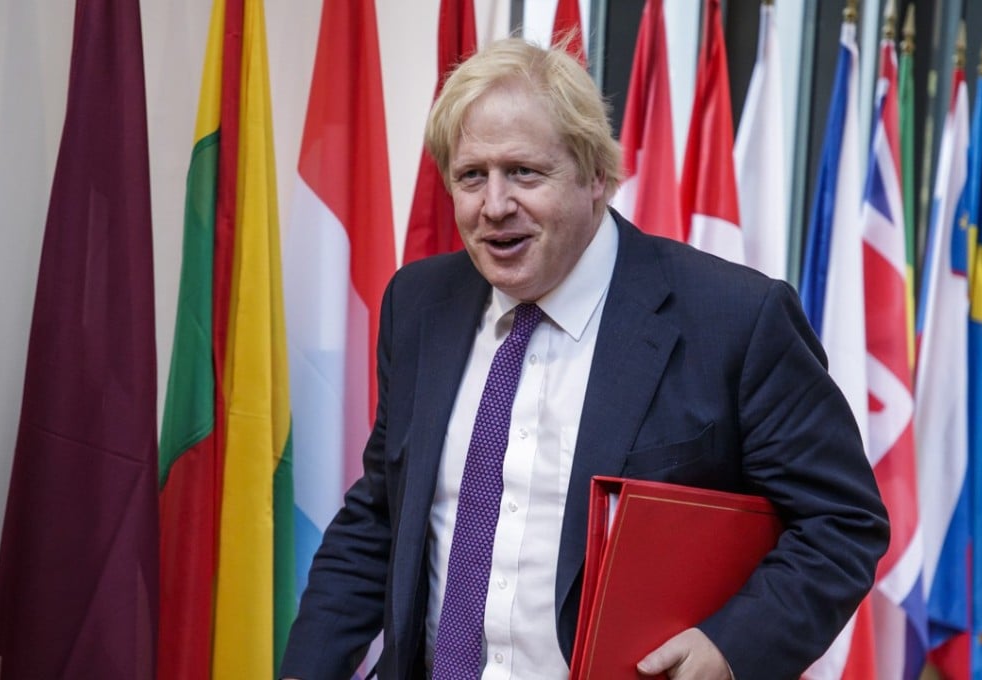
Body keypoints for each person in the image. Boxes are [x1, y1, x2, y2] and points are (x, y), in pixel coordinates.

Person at [280, 37, 888, 680]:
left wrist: (730, 649)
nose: (494, 206)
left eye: (524, 172)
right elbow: (381, 515)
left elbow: (842, 522)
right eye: (471, 176)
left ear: (596, 175)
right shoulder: (419, 304)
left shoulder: (735, 320)